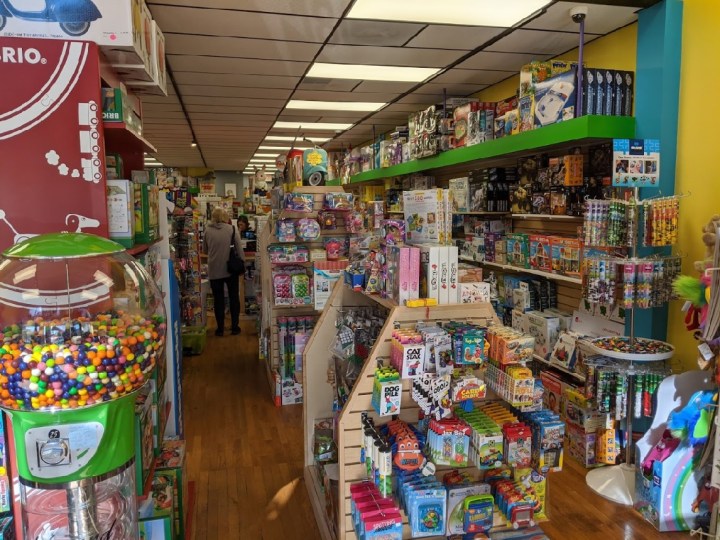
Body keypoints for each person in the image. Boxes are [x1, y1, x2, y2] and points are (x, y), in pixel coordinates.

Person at [203, 208, 243, 336]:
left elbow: (204, 249)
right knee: (233, 298)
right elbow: (239, 249)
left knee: (218, 299)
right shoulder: (232, 229)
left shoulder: (207, 231)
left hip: (214, 269)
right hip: (230, 269)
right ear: (226, 217)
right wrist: (242, 263)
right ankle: (235, 327)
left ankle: (220, 329)